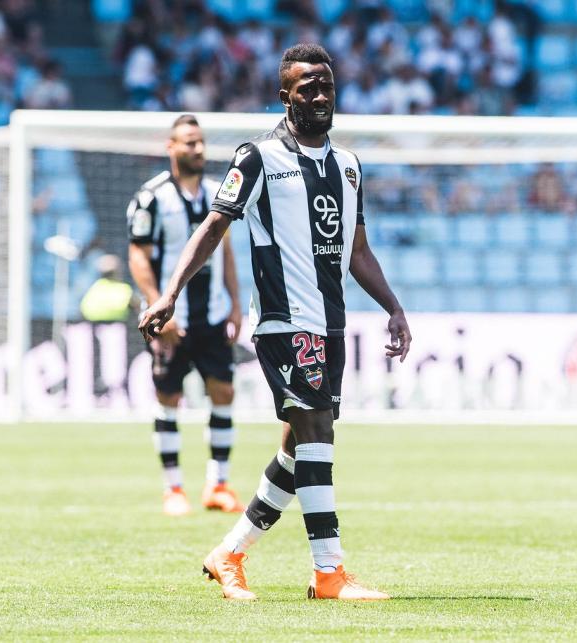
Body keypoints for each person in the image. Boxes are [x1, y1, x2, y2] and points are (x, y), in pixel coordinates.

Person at [139, 44, 412, 600]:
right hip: (285, 323)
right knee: (317, 433)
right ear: (284, 96)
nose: (318, 95)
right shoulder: (258, 159)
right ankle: (328, 572)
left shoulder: (349, 167)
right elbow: (215, 227)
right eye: (306, 86)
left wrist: (393, 307)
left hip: (330, 325)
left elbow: (358, 250)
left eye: (325, 85)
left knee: (298, 448)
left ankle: (229, 553)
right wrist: (170, 293)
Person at [128, 113, 244, 517]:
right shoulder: (151, 196)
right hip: (170, 320)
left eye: (200, 142)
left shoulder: (218, 192)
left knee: (224, 392)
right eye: (188, 142)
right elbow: (138, 256)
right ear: (171, 147)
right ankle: (173, 488)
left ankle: (219, 484)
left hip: (212, 315)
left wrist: (234, 302)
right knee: (168, 397)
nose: (197, 148)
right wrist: (160, 304)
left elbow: (224, 250)